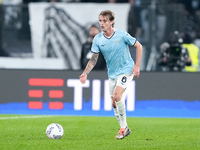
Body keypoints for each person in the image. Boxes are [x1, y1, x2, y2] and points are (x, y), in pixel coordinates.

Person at [79, 10, 143, 139]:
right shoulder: (98, 39)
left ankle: (123, 128)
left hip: (126, 69)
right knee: (114, 103)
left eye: (105, 21)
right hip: (112, 73)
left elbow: (139, 46)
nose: (102, 24)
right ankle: (125, 128)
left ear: (111, 22)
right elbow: (93, 59)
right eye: (100, 21)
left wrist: (137, 66)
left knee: (117, 95)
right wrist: (85, 73)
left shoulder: (122, 35)